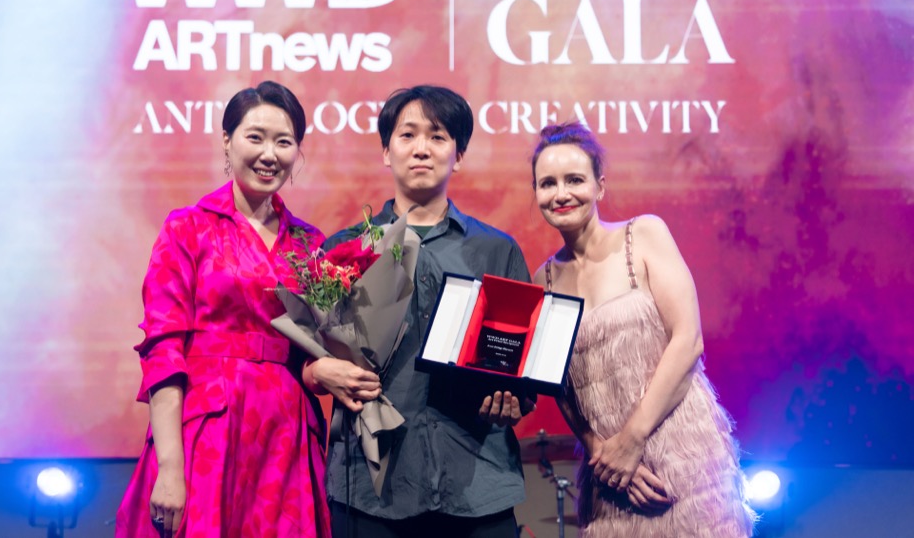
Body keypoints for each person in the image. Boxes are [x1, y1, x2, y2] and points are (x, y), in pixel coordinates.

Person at [303, 85, 534, 538]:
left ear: (459, 154)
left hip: (478, 484)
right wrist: (320, 372)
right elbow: (306, 362)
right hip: (372, 489)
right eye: (407, 135)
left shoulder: (496, 250)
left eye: (438, 136)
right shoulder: (343, 251)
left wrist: (513, 400)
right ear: (386, 151)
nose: (422, 149)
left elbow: (522, 369)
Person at [116, 82, 342, 538]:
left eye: (284, 141)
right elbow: (163, 350)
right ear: (227, 140)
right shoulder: (187, 228)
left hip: (286, 432)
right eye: (254, 137)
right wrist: (171, 466)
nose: (269, 154)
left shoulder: (310, 243)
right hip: (208, 428)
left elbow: (323, 349)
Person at [530, 122, 756, 537]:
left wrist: (632, 440)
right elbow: (557, 386)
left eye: (574, 180)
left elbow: (688, 341)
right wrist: (600, 449)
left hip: (683, 459)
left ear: (599, 186)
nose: (561, 193)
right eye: (548, 183)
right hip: (612, 480)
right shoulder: (541, 279)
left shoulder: (645, 234)